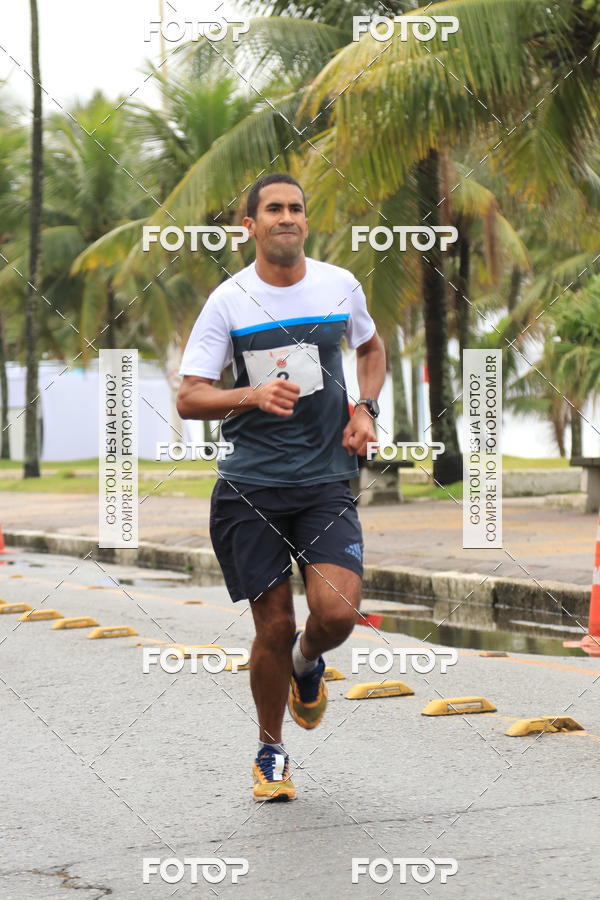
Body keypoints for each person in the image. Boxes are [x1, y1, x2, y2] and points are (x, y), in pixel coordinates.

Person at [176, 173, 386, 802]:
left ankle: (307, 665)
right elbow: (189, 396)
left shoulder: (338, 285)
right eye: (273, 209)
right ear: (250, 226)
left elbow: (371, 349)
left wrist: (366, 409)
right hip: (252, 487)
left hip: (325, 481)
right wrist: (250, 394)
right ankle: (271, 751)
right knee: (272, 626)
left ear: (305, 219)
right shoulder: (229, 301)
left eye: (296, 208)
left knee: (338, 614)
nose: (287, 217)